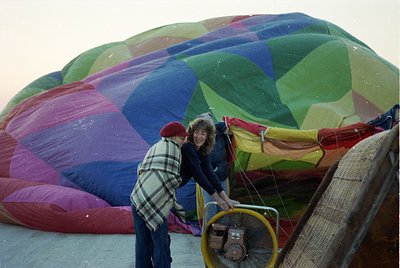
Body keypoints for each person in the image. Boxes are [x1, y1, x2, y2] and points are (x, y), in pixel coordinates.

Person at [130, 121, 189, 268]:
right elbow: (172, 178)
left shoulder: (155, 147)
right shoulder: (173, 149)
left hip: (138, 198)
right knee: (160, 242)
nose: (184, 141)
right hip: (156, 203)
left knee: (142, 242)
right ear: (174, 137)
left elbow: (141, 170)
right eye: (182, 138)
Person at [179, 117, 238, 227]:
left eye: (203, 133)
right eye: (196, 132)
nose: (199, 137)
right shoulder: (188, 148)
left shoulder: (203, 149)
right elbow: (198, 175)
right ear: (191, 133)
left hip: (174, 186)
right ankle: (205, 239)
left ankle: (214, 239)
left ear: (208, 136)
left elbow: (209, 173)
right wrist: (218, 199)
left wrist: (226, 198)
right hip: (165, 187)